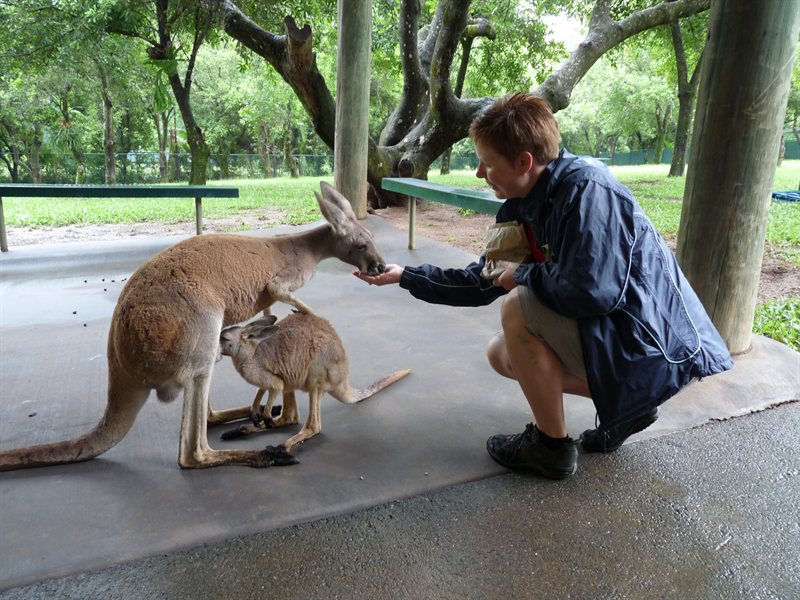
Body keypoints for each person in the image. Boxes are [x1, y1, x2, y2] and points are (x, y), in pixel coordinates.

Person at [355, 92, 733, 479]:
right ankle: (629, 407)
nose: (479, 175)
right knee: (501, 353)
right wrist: (405, 276)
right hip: (619, 337)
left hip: (652, 346)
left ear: (524, 162)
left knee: (516, 307)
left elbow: (592, 291)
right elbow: (482, 280)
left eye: (487, 164)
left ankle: (551, 448)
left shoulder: (588, 191)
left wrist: (522, 274)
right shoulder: (526, 201)